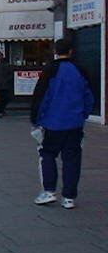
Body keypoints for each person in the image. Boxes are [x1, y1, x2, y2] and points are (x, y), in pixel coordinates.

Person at [30, 38, 95, 209]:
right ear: (71, 51)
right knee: (72, 160)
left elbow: (41, 97)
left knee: (47, 155)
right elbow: (89, 95)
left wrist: (35, 121)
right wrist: (83, 114)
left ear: (55, 51)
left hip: (52, 123)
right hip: (74, 123)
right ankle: (69, 198)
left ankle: (49, 191)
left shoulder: (50, 70)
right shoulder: (80, 69)